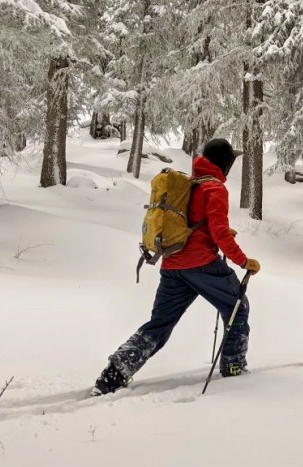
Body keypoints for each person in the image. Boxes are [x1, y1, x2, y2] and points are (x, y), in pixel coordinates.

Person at [91, 139, 261, 396]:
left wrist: (221, 233)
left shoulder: (190, 183)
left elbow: (194, 223)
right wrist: (244, 261)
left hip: (172, 265)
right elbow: (218, 233)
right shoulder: (214, 188)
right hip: (202, 265)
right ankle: (234, 366)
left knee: (160, 323)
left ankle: (113, 374)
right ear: (225, 163)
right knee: (238, 306)